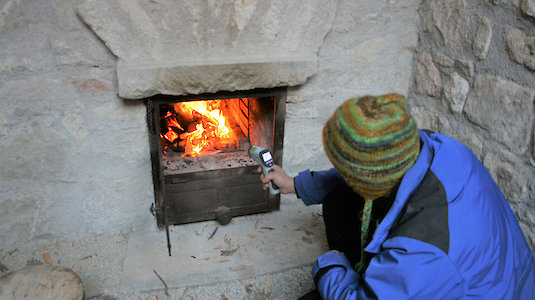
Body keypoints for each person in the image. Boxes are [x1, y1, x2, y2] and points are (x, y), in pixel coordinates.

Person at [258, 94, 535, 299]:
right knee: (339, 199)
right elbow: (355, 171)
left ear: (369, 177)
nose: (345, 173)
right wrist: (295, 184)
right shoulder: (433, 147)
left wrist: (329, 266)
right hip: (479, 274)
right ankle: (369, 275)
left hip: (457, 280)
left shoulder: (419, 251)